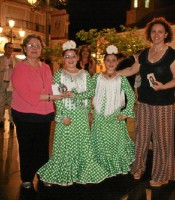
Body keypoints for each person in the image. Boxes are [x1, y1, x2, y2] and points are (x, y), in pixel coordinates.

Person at [118, 17, 175, 187]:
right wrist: (113, 73)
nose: (156, 34)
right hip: (144, 102)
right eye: (153, 31)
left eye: (160, 31)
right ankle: (138, 167)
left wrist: (163, 87)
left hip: (163, 104)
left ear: (166, 34)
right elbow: (132, 69)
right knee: (141, 137)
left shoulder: (172, 54)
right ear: (149, 34)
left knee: (162, 140)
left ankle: (162, 174)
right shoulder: (145, 53)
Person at [37, 40, 108, 186]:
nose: (70, 59)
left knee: (82, 144)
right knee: (64, 146)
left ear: (77, 58)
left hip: (81, 115)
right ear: (63, 59)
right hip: (67, 115)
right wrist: (62, 116)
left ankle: (80, 171)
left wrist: (88, 109)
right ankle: (57, 173)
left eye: (73, 56)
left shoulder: (85, 74)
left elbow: (90, 92)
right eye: (67, 57)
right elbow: (57, 98)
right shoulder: (58, 74)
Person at [11, 34, 67, 190]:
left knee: (42, 148)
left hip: (44, 114)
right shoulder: (19, 68)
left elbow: (52, 86)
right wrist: (51, 97)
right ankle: (27, 177)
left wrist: (64, 93)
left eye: (38, 46)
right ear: (24, 48)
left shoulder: (46, 67)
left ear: (42, 49)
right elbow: (26, 94)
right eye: (31, 45)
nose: (35, 48)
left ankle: (44, 175)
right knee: (27, 147)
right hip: (25, 114)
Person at [90, 45, 136, 177]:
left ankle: (113, 166)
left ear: (117, 62)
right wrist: (89, 110)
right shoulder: (97, 77)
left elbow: (131, 95)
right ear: (104, 62)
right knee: (100, 142)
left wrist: (126, 112)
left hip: (115, 117)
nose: (110, 63)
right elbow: (89, 94)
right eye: (108, 60)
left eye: (113, 60)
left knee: (114, 143)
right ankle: (100, 166)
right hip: (99, 116)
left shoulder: (121, 78)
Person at [0, 42, 20, 130]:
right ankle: (1, 121)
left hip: (11, 84)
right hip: (1, 83)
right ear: (5, 49)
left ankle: (11, 122)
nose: (10, 50)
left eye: (12, 48)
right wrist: (6, 67)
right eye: (8, 48)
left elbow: (20, 69)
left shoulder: (15, 59)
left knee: (11, 105)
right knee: (1, 104)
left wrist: (14, 66)